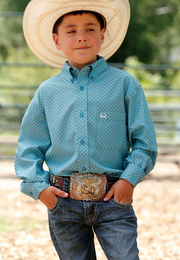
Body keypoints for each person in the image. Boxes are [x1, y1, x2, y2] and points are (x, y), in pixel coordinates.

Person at [15, 0, 158, 259]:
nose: (82, 37)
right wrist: (38, 188)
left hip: (114, 199)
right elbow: (29, 145)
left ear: (102, 35)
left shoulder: (125, 85)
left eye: (90, 29)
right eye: (71, 31)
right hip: (63, 200)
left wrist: (129, 179)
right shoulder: (47, 92)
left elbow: (144, 141)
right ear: (57, 40)